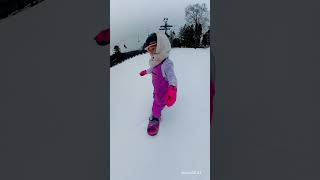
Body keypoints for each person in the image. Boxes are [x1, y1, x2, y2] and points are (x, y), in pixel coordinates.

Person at [139, 32, 177, 136]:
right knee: (156, 96)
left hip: (163, 92)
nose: (151, 51)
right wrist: (146, 71)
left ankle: (155, 117)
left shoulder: (166, 63)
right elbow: (152, 69)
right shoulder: (156, 61)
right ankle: (158, 100)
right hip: (157, 89)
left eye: (153, 47)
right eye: (149, 49)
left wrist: (173, 88)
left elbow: (172, 76)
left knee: (157, 104)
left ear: (161, 45)